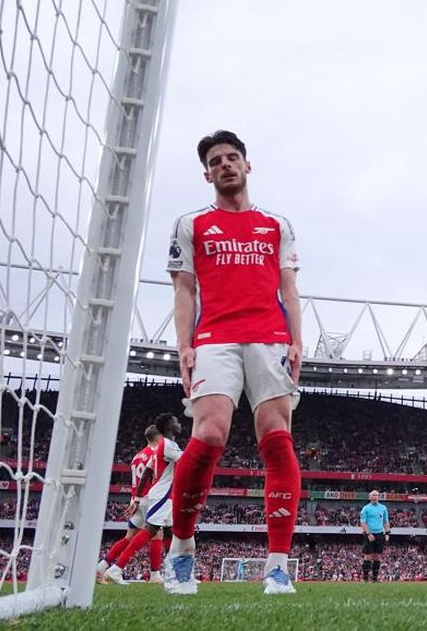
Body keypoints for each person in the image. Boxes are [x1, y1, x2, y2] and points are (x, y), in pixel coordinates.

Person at [166, 129, 303, 595]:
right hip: (215, 337)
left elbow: (289, 287)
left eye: (231, 157)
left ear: (247, 165)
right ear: (207, 175)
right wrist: (183, 345)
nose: (225, 164)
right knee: (209, 433)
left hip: (270, 338)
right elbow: (184, 289)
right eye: (215, 161)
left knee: (278, 439)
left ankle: (278, 566)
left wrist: (297, 341)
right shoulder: (191, 224)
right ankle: (182, 550)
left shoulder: (277, 224)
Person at [105, 414, 183, 585]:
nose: (179, 424)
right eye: (176, 422)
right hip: (162, 495)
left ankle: (176, 573)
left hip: (157, 495)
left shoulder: (157, 448)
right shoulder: (168, 446)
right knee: (151, 531)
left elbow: (147, 473)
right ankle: (117, 568)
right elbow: (187, 461)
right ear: (167, 427)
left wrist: (137, 498)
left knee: (168, 532)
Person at [98, 424, 161, 582]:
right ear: (158, 437)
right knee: (157, 535)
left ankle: (102, 566)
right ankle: (154, 575)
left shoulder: (137, 456)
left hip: (136, 500)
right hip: (149, 498)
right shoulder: (155, 455)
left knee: (130, 536)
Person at [359, 490, 390, 582]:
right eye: (373, 495)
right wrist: (368, 534)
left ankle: (375, 579)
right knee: (368, 557)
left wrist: (387, 533)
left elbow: (385, 521)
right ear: (370, 497)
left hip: (380, 534)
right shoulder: (366, 508)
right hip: (369, 534)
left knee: (377, 557)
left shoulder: (383, 508)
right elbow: (363, 522)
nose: (375, 497)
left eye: (377, 495)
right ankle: (365, 578)